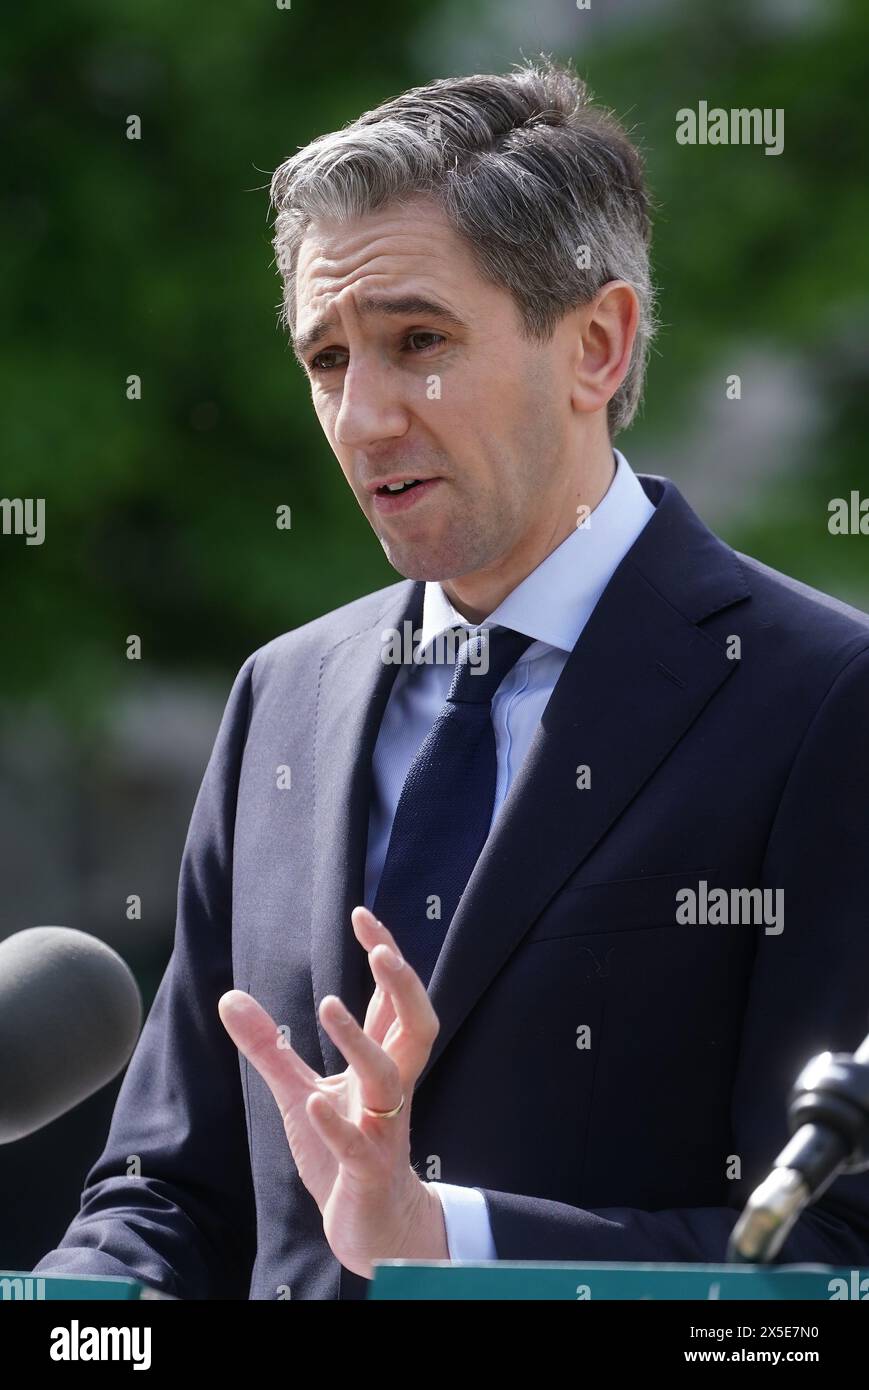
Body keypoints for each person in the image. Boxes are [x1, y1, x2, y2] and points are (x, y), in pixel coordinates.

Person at [35, 58, 869, 1300]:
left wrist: (444, 1241)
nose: (363, 417)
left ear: (595, 342)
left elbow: (829, 1256)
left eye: (415, 340)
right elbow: (172, 1193)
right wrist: (73, 1318)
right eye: (326, 359)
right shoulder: (284, 694)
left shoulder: (822, 699)